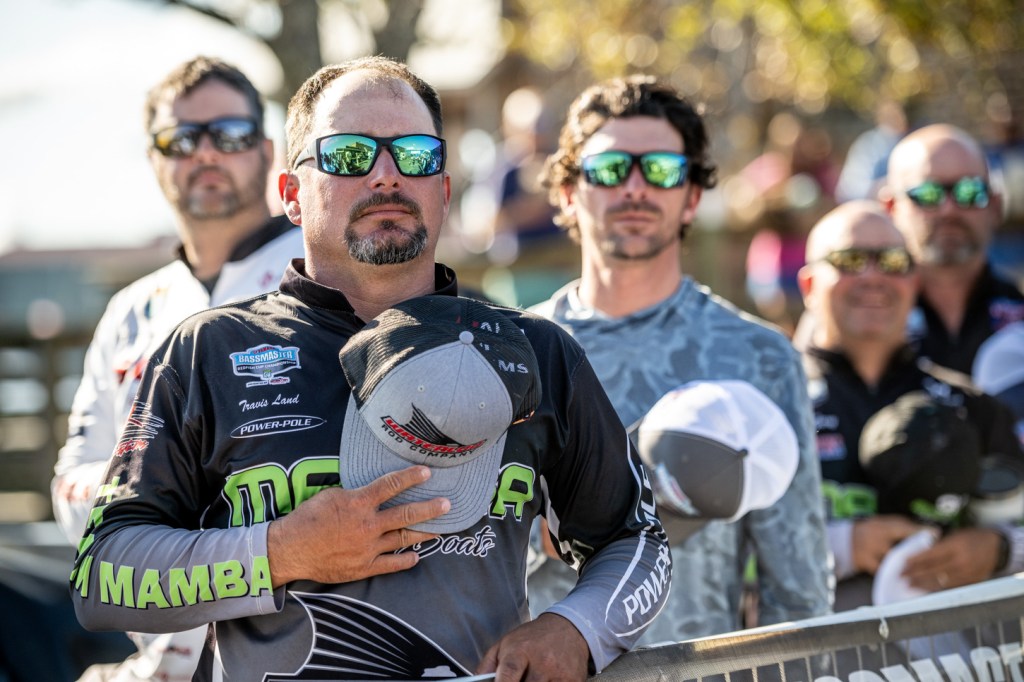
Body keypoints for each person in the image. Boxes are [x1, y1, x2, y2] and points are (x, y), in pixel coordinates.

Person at [70, 56, 670, 681]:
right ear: (291, 195)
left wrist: (578, 627)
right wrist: (280, 552)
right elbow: (102, 577)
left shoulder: (536, 352)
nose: (388, 175)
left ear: (443, 190)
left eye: (415, 154)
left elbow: (637, 540)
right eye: (350, 155)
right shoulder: (207, 351)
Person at [528, 74, 830, 643]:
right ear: (569, 191)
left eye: (662, 170)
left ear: (692, 196)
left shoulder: (759, 357)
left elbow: (799, 590)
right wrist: (538, 533)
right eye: (609, 169)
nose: (635, 188)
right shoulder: (515, 354)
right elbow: (463, 563)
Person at [51, 56, 304, 680]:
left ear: (266, 150)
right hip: (162, 657)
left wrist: (159, 507)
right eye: (181, 139)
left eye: (231, 135)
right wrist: (175, 506)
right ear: (154, 159)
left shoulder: (322, 272)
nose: (206, 153)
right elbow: (71, 483)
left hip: (305, 650)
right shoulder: (131, 311)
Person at [797, 200, 1024, 610]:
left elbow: (1018, 525)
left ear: (914, 281)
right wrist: (843, 546)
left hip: (950, 649)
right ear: (809, 285)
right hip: (807, 650)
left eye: (892, 262)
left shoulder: (971, 405)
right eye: (850, 260)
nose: (873, 277)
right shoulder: (770, 405)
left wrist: (1000, 548)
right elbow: (715, 551)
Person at [880, 123, 1024, 374]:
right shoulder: (858, 313)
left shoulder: (1018, 314)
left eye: (970, 191)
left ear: (996, 205)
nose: (949, 210)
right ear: (891, 208)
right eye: (927, 193)